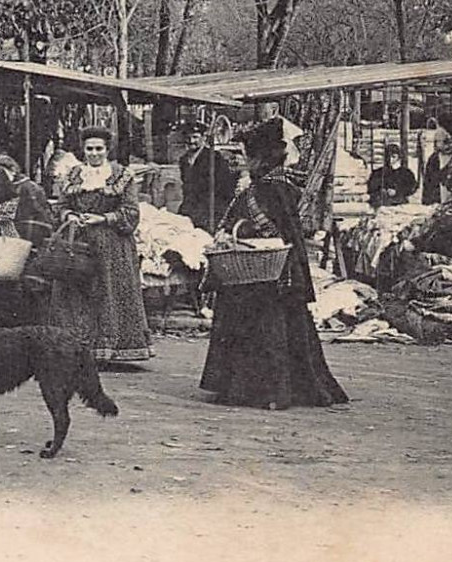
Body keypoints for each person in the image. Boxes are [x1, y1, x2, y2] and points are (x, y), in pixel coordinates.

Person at [199, 117, 349, 409]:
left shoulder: (269, 188)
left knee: (266, 329)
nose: (241, 161)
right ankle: (279, 388)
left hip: (263, 272)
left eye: (245, 156)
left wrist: (236, 233)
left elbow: (271, 230)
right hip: (273, 270)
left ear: (260, 158)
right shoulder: (272, 184)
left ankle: (261, 390)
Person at [49, 127, 153, 364]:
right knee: (75, 294)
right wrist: (70, 216)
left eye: (99, 149)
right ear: (83, 150)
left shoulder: (121, 175)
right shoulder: (73, 174)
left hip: (113, 246)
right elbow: (61, 205)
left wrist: (103, 218)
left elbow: (131, 212)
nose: (94, 154)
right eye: (89, 149)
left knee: (109, 292)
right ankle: (76, 348)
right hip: (79, 243)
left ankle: (112, 349)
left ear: (107, 150)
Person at [178, 122, 238, 232]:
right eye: (188, 137)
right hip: (190, 208)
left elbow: (226, 188)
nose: (191, 141)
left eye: (195, 137)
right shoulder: (184, 160)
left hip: (210, 211)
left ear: (204, 138)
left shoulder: (214, 158)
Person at [366, 141, 419, 209]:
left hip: (399, 205)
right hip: (381, 206)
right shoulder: (378, 173)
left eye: (393, 157)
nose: (390, 159)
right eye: (388, 157)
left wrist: (397, 191)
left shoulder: (406, 173)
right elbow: (371, 188)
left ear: (399, 157)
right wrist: (381, 191)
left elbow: (412, 187)